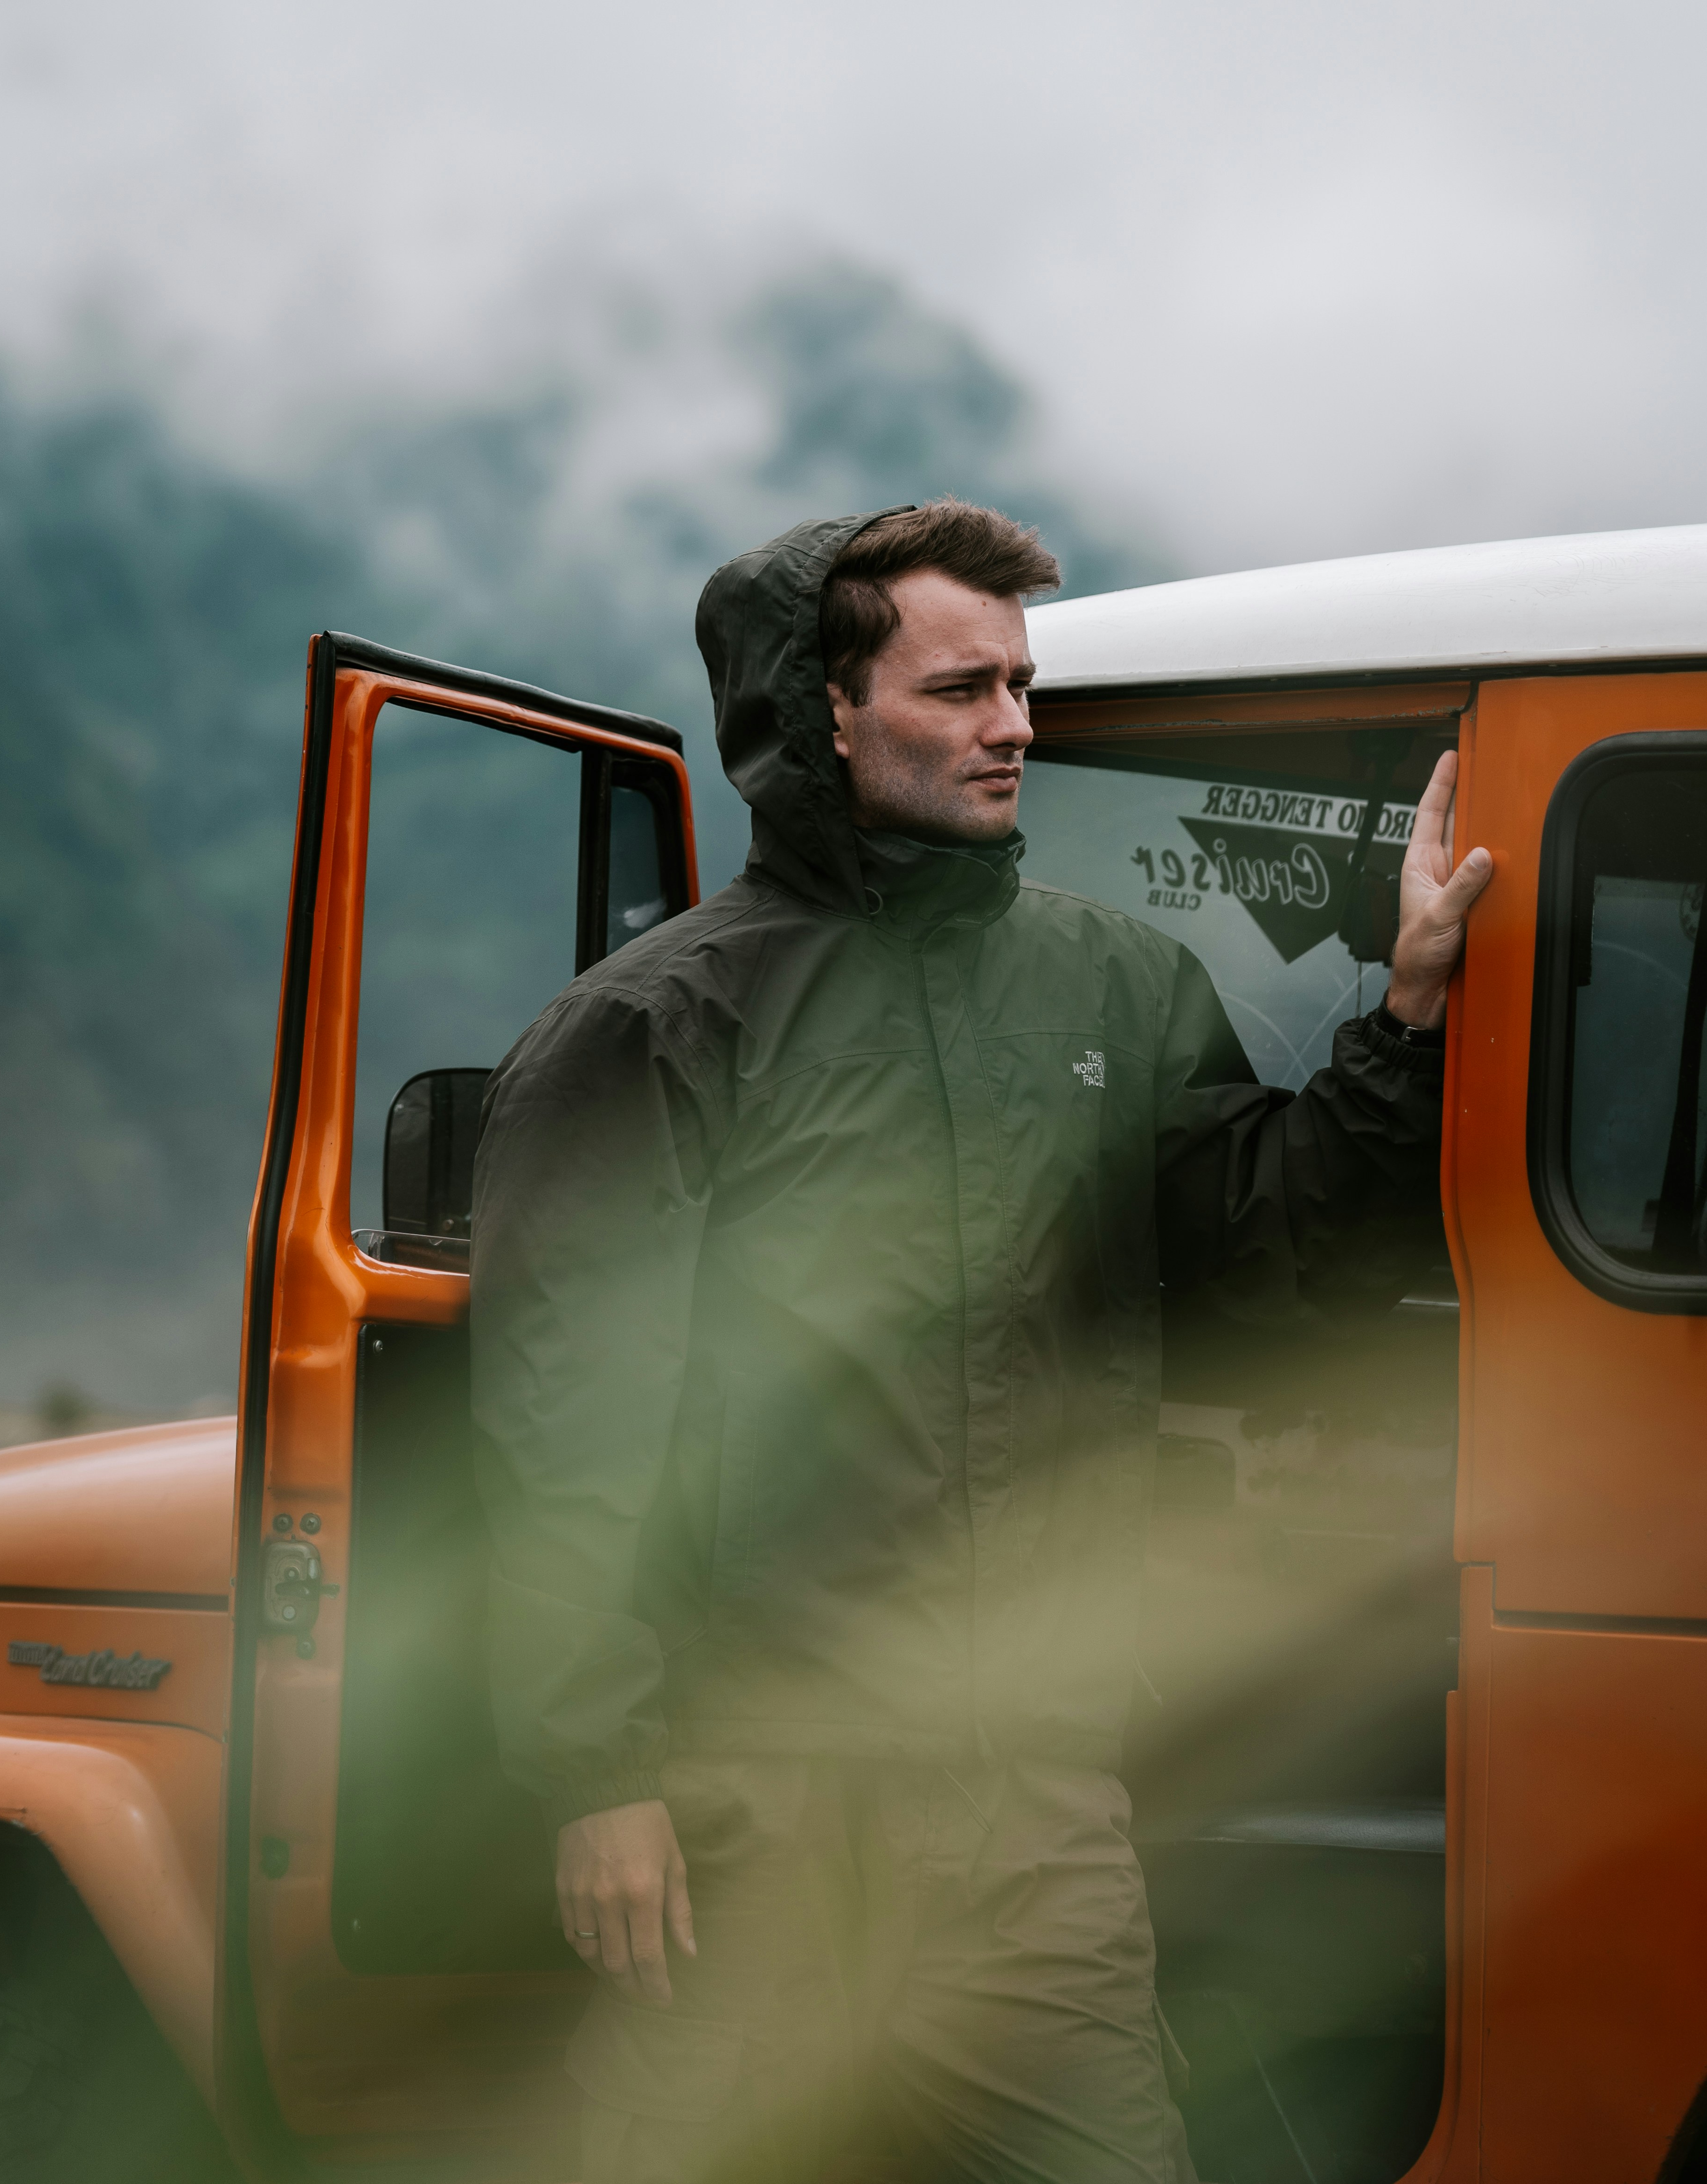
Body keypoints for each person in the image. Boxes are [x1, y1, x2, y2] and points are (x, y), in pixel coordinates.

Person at [470, 501, 1492, 2184]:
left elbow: (1258, 1251)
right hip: (747, 1808)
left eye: (1020, 687)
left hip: (1031, 1812)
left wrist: (1404, 1019)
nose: (1014, 725)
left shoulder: (1109, 985)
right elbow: (560, 1423)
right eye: (960, 689)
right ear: (821, 712)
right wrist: (601, 1779)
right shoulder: (654, 1027)